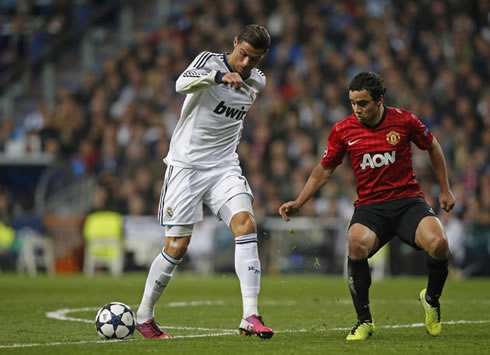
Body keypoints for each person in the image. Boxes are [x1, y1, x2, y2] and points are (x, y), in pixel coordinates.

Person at [279, 72, 455, 340]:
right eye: (353, 103)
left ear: (379, 100)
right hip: (371, 207)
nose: (357, 109)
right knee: (356, 244)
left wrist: (445, 188)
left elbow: (432, 147)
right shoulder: (343, 130)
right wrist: (300, 202)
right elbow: (324, 170)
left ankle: (431, 299)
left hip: (408, 202)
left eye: (363, 103)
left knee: (439, 243)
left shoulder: (405, 120)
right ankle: (364, 321)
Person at [135, 24, 274, 340]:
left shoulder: (258, 81)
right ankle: (144, 315)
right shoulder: (208, 61)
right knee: (177, 246)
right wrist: (217, 77)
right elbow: (180, 85)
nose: (245, 64)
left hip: (224, 167)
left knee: (246, 224)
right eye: (242, 55)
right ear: (234, 42)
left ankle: (250, 315)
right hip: (186, 166)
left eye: (254, 59)